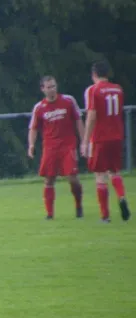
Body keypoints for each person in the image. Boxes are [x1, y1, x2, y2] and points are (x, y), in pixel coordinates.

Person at [28, 76, 85, 219]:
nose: (52, 89)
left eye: (53, 86)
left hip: (68, 146)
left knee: (73, 178)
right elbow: (33, 128)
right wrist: (31, 145)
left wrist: (84, 141)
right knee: (49, 179)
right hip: (50, 147)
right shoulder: (39, 107)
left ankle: (78, 205)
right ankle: (49, 214)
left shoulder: (68, 101)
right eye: (48, 87)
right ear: (42, 89)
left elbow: (78, 120)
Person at [81, 61, 130, 222]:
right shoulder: (118, 89)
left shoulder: (93, 90)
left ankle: (105, 215)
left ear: (93, 74)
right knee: (114, 171)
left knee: (100, 175)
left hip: (101, 137)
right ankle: (121, 196)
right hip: (117, 136)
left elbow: (92, 116)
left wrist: (85, 141)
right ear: (108, 74)